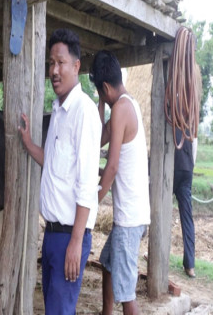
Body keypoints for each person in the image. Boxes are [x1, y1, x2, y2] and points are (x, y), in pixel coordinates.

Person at [19, 28, 102, 314]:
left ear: (76, 66)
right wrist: (29, 143)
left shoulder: (84, 112)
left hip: (70, 235)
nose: (54, 70)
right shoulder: (58, 110)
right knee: (54, 309)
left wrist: (76, 242)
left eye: (61, 63)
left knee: (60, 310)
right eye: (51, 63)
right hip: (53, 235)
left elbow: (87, 183)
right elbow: (54, 163)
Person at [89, 50, 150, 315]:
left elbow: (111, 166)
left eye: (101, 93)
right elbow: (97, 138)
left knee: (127, 295)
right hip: (132, 217)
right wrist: (100, 104)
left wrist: (93, 200)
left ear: (104, 87)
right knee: (108, 264)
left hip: (129, 219)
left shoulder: (122, 109)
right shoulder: (127, 104)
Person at [174, 128, 197, 278]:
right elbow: (195, 144)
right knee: (187, 218)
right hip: (187, 168)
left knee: (158, 212)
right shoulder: (191, 120)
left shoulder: (169, 116)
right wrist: (190, 167)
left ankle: (155, 253)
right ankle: (190, 266)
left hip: (172, 167)